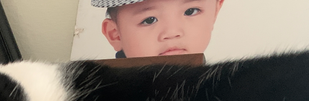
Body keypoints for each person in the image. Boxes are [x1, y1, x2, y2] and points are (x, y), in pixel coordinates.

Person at [94, 0, 224, 58]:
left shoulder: (224, 91)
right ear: (115, 34)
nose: (172, 32)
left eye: (190, 11)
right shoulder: (101, 100)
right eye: (149, 20)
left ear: (215, 11)